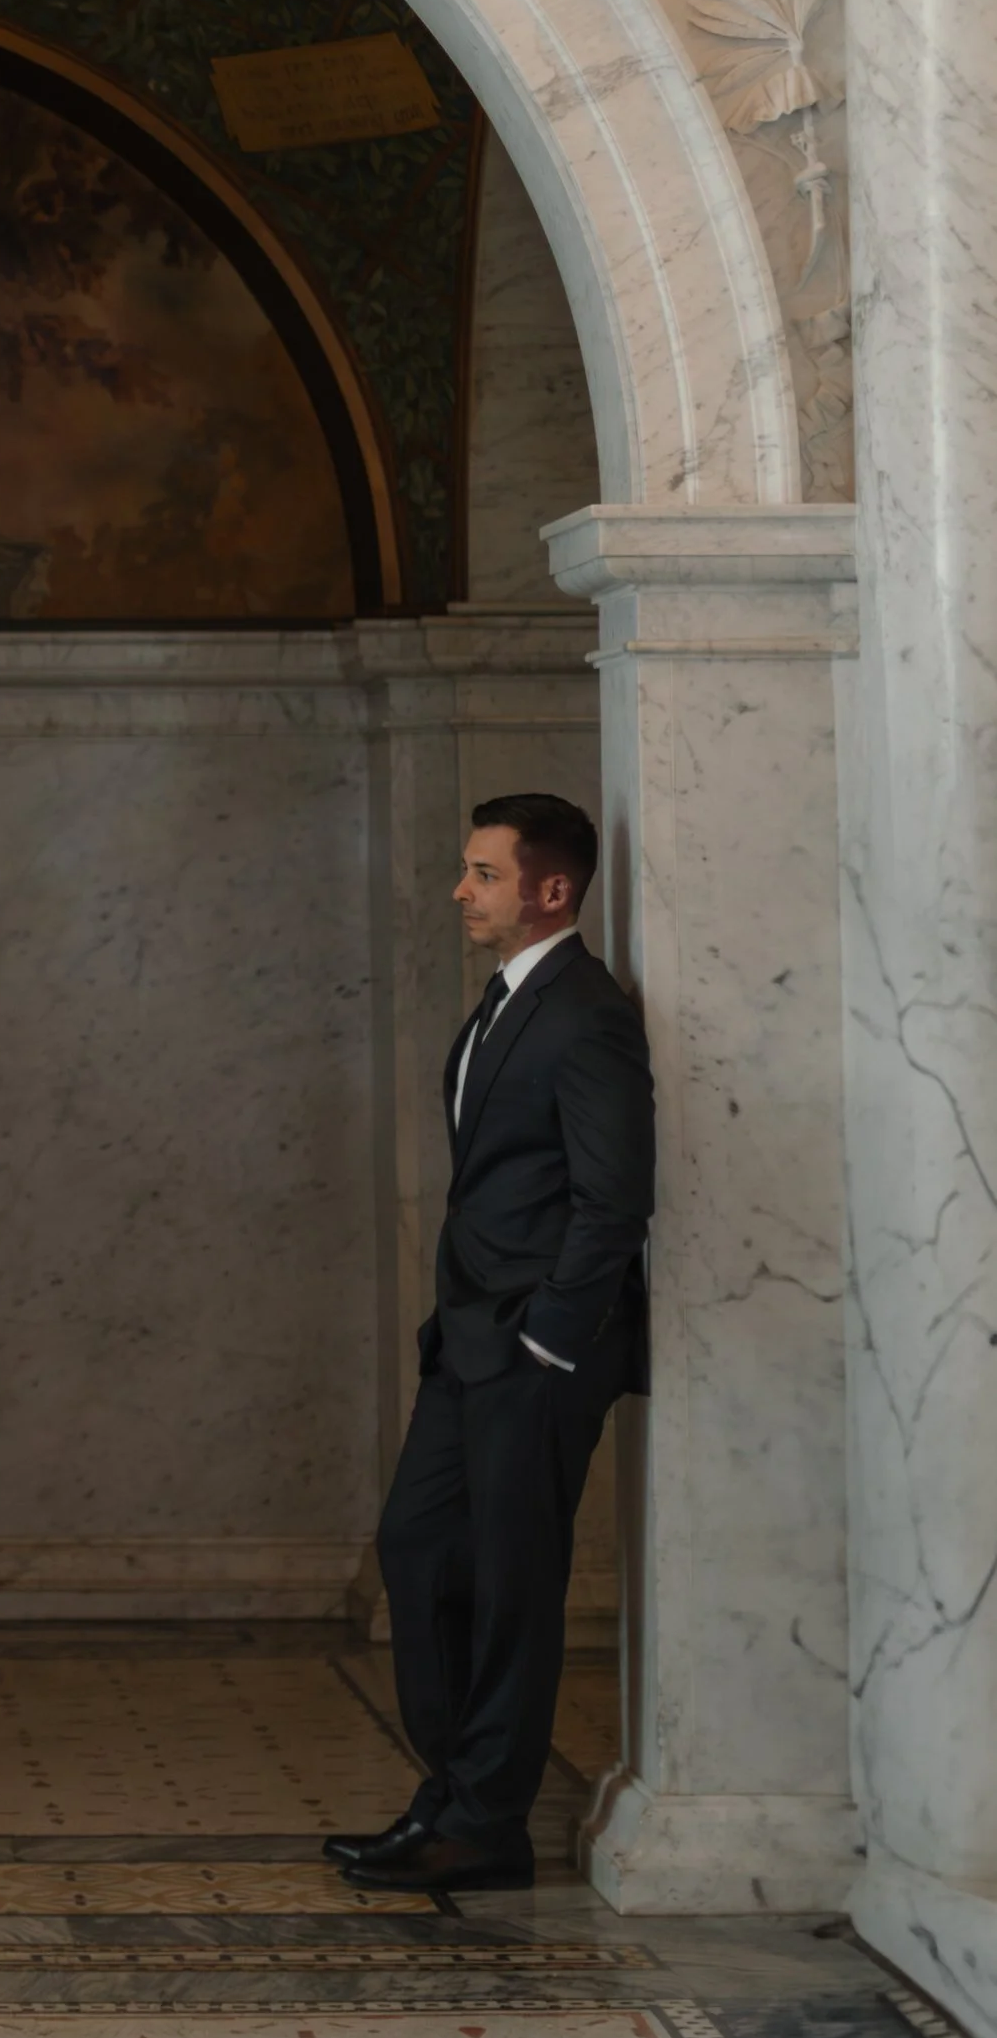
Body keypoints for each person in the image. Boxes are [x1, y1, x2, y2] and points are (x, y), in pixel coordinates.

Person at [326, 795, 653, 1895]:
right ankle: (460, 1797)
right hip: (469, 1344)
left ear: (548, 891)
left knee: (512, 1584)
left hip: (530, 1354)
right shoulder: (512, 999)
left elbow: (613, 1201)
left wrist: (551, 1344)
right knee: (420, 1550)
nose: (459, 891)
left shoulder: (586, 1012)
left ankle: (481, 1825)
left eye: (481, 874)